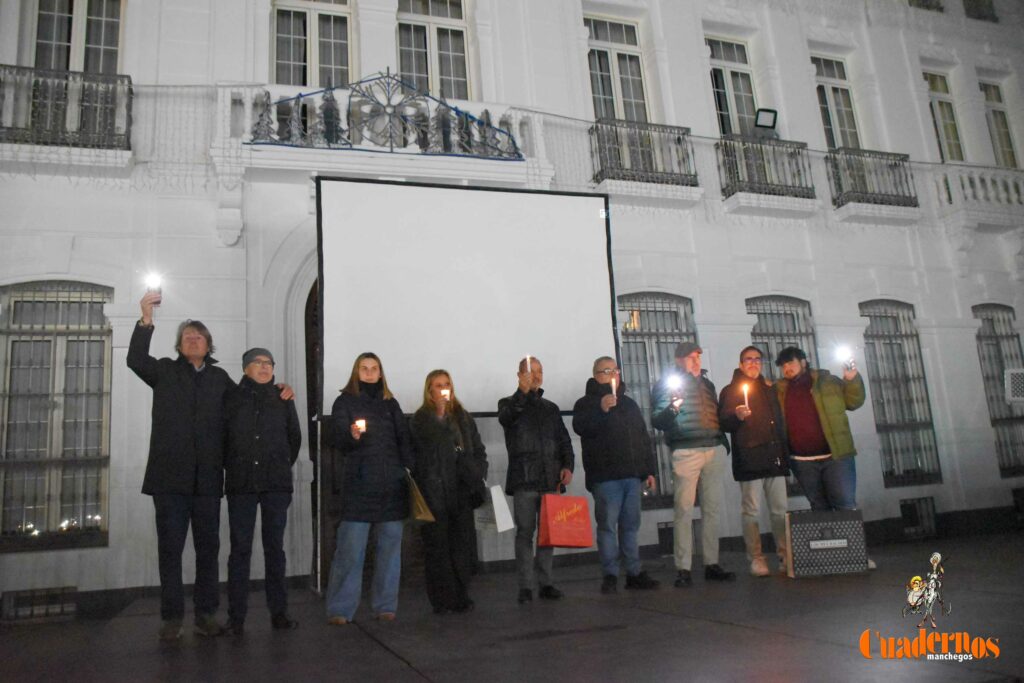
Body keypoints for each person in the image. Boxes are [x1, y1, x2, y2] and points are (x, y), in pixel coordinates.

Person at [128, 292, 294, 641]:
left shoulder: (221, 380)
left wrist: (281, 391)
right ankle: (172, 619)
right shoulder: (163, 370)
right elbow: (134, 359)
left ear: (209, 346)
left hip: (207, 483)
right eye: (187, 336)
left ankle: (205, 616)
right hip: (168, 480)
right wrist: (145, 320)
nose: (193, 339)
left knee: (209, 553)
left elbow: (251, 403)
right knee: (170, 552)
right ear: (179, 344)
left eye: (199, 336)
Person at [325, 352, 414, 624]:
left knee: (389, 551)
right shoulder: (344, 402)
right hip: (359, 487)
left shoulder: (391, 404)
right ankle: (341, 609)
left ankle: (385, 605)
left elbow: (404, 440)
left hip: (392, 487)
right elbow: (336, 437)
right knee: (350, 551)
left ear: (381, 373)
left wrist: (408, 470)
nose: (369, 373)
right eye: (364, 368)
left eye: (374, 368)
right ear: (356, 372)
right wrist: (350, 435)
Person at [224, 348, 302, 635]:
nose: (264, 367)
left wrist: (278, 464)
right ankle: (236, 617)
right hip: (241, 484)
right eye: (257, 363)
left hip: (275, 485)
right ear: (245, 369)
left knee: (275, 550)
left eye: (268, 363)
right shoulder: (231, 398)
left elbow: (294, 438)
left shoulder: (283, 398)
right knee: (240, 551)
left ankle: (278, 613)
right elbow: (223, 438)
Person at [651, 342, 735, 588]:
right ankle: (683, 568)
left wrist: (723, 438)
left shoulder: (707, 384)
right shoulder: (666, 385)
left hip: (713, 448)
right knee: (684, 510)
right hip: (686, 450)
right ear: (678, 360)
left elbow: (715, 414)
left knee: (711, 509)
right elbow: (658, 420)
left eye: (698, 356)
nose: (696, 361)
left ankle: (711, 563)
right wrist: (673, 408)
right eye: (690, 357)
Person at [572, 356, 659, 594]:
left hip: (631, 475)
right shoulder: (586, 403)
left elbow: (642, 438)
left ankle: (634, 572)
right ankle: (610, 575)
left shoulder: (629, 404)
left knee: (630, 526)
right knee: (608, 527)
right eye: (606, 371)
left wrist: (648, 469)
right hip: (605, 477)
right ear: (596, 375)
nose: (612, 375)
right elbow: (581, 427)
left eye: (615, 370)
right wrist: (601, 410)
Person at [410, 370, 489, 615]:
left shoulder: (463, 417)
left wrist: (479, 471)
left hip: (462, 491)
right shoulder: (421, 419)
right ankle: (442, 600)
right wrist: (440, 416)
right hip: (435, 492)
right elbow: (424, 450)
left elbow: (478, 449)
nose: (443, 389)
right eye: (437, 385)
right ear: (429, 390)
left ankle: (461, 594)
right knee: (437, 548)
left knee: (461, 546)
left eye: (447, 384)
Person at [498, 356, 575, 604]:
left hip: (550, 479)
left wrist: (567, 465)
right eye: (531, 371)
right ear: (520, 375)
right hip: (524, 479)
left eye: (540, 371)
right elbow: (507, 418)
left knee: (548, 534)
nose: (536, 375)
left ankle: (546, 583)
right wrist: (522, 392)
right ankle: (526, 586)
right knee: (525, 533)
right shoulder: (508, 403)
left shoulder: (550, 408)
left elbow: (564, 440)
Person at [718, 346, 790, 577]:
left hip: (774, 457)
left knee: (780, 510)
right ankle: (756, 558)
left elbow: (777, 420)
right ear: (741, 364)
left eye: (757, 359)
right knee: (751, 511)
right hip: (750, 458)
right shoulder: (730, 391)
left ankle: (785, 554)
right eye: (748, 359)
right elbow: (724, 424)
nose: (753, 363)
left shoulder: (769, 388)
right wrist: (736, 417)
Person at [773, 347, 865, 513]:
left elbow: (853, 402)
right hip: (802, 462)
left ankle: (848, 539)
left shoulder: (828, 381)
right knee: (819, 508)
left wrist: (851, 379)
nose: (787, 368)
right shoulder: (779, 391)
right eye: (783, 366)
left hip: (836, 457)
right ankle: (827, 539)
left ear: (803, 362)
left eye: (790, 363)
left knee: (845, 504)